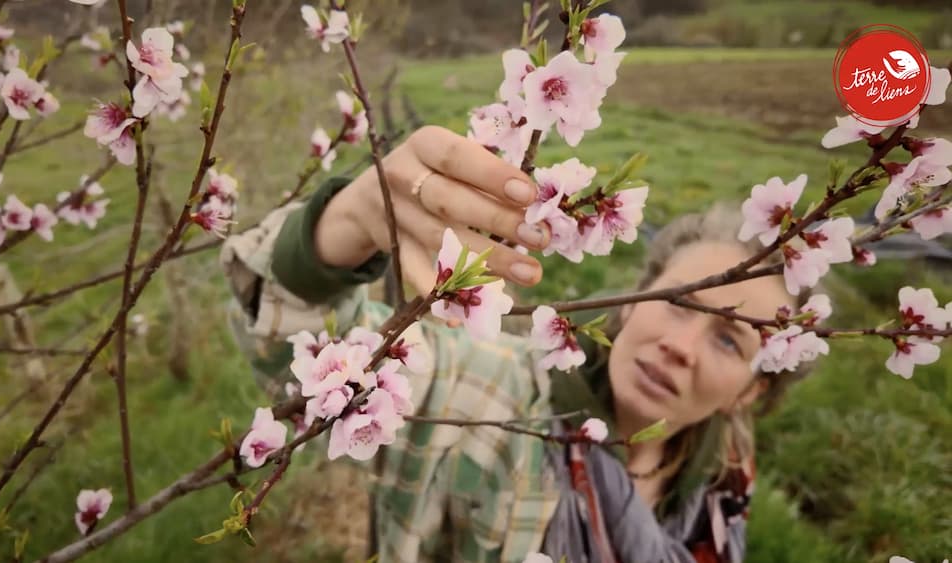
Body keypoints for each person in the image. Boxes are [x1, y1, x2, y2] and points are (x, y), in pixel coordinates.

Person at [219, 126, 816, 562]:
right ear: (636, 299)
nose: (682, 347)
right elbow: (297, 341)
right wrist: (341, 231)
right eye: (678, 301)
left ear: (751, 392)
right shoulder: (490, 395)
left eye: (729, 342)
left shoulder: (723, 481)